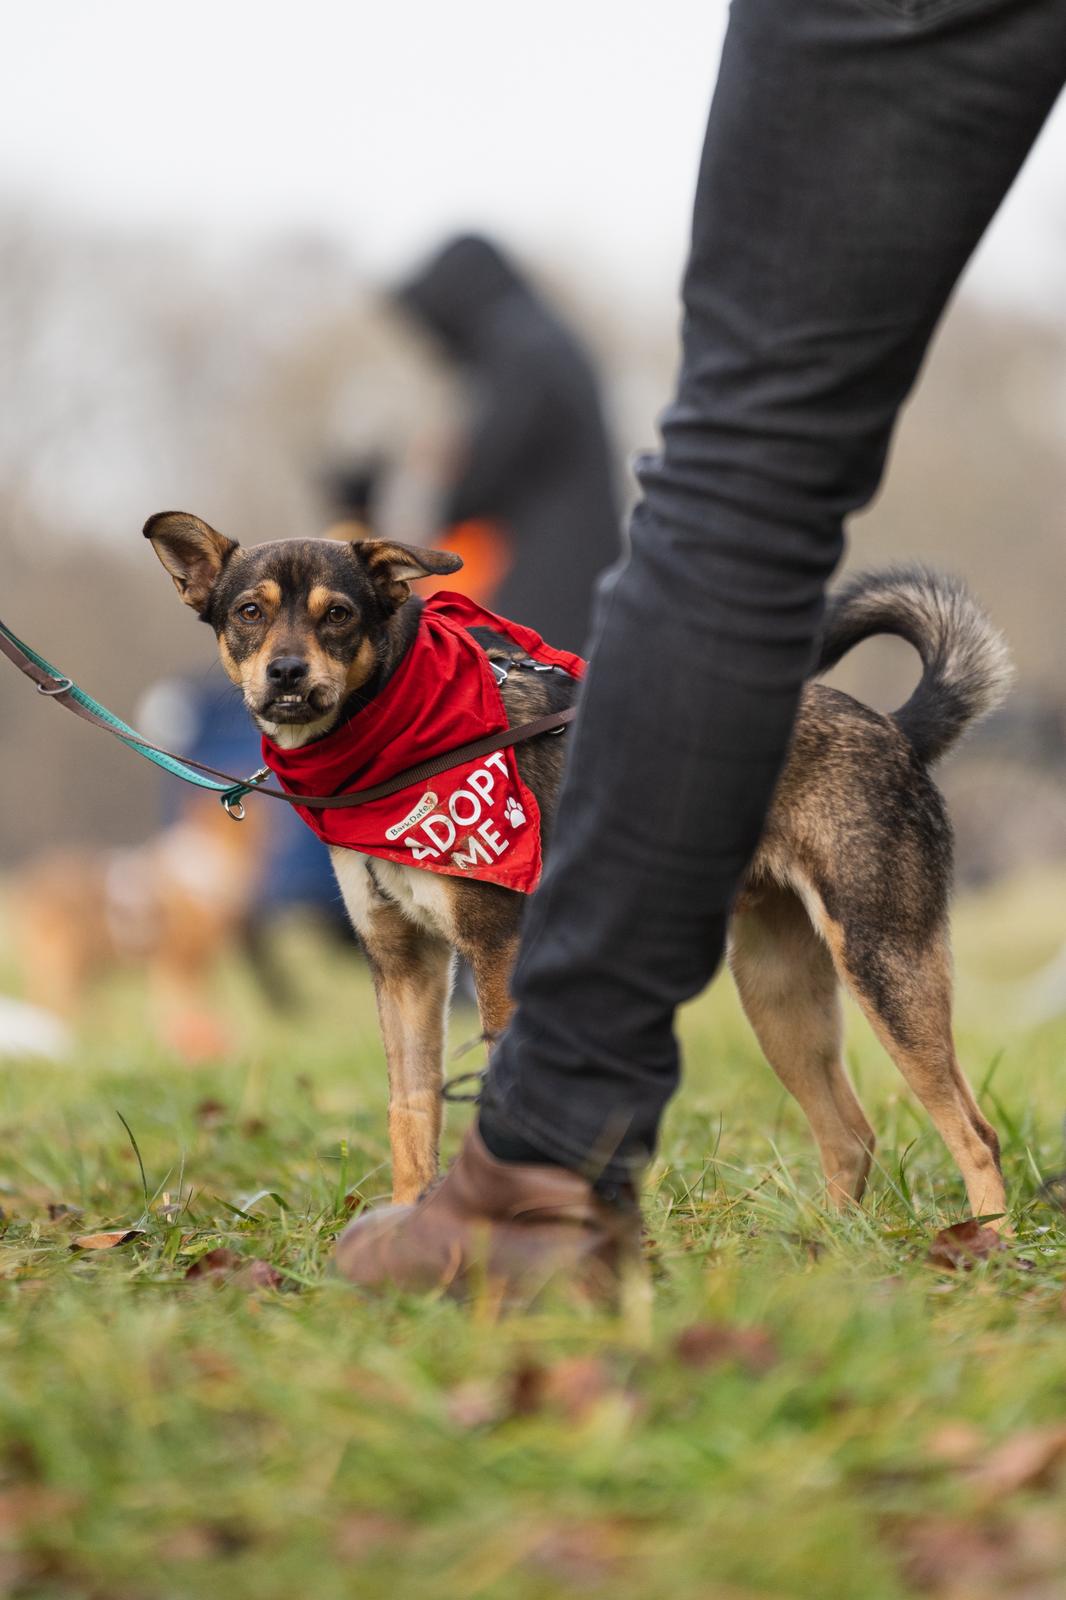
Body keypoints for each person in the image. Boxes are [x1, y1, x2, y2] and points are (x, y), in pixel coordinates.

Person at [336, 0, 1066, 1294]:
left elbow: (511, 484)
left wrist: (414, 479)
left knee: (745, 468)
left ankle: (544, 1169)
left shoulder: (515, 367)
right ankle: (600, 1174)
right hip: (634, 633)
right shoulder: (534, 347)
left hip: (609, 629)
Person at [394, 233, 622, 652]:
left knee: (546, 697)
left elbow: (482, 472)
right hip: (570, 568)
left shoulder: (523, 348)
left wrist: (433, 483)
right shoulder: (535, 337)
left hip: (553, 583)